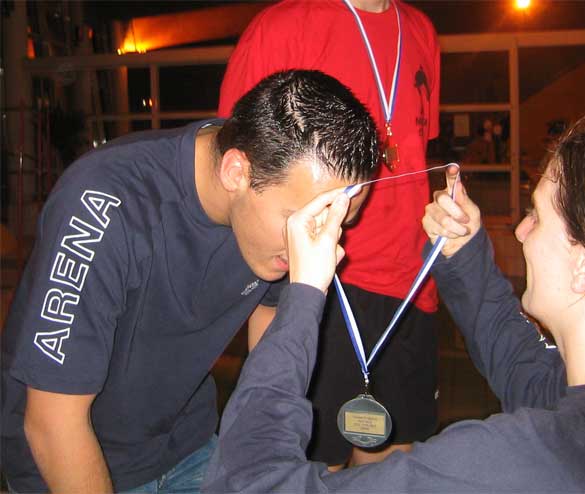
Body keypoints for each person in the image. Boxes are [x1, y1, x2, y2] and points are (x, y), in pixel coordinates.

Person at [202, 117, 585, 492]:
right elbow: (525, 367)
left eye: (536, 215)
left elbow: (247, 483)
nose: (523, 231)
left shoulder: (514, 465)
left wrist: (303, 294)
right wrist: (464, 253)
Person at [1, 69, 379, 493]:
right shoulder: (103, 203)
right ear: (236, 172)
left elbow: (269, 336)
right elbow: (52, 423)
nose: (321, 244)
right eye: (304, 222)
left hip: (188, 444)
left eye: (340, 223)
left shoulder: (279, 204)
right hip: (72, 459)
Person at [218, 0, 442, 468]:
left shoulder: (421, 30)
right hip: (322, 281)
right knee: (311, 469)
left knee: (393, 471)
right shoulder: (283, 28)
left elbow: (414, 149)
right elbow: (240, 173)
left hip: (411, 285)